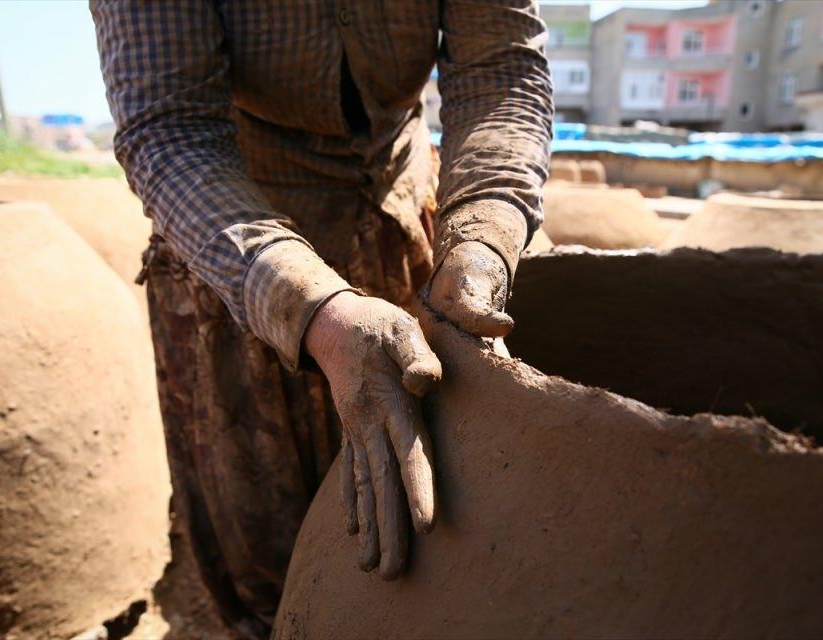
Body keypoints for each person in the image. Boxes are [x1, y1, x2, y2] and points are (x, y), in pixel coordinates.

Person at [91, 1, 552, 635]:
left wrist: (486, 230)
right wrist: (312, 308)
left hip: (400, 205)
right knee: (274, 567)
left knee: (433, 535)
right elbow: (168, 130)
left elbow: (500, 70)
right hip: (236, 241)